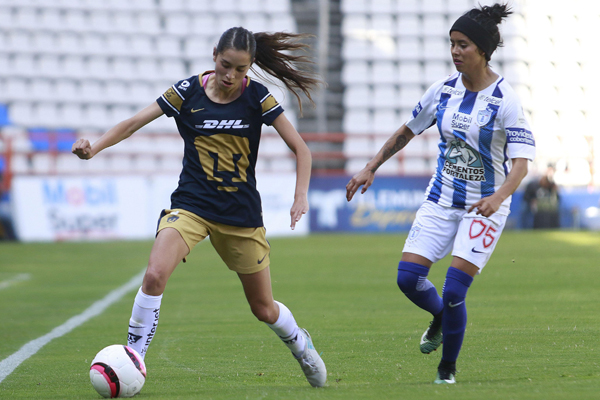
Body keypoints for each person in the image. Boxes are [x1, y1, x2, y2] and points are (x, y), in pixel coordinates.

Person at [72, 27, 327, 388]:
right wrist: (94, 148)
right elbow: (132, 124)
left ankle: (300, 343)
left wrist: (301, 194)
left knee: (263, 308)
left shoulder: (257, 97)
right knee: (154, 275)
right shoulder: (186, 92)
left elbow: (302, 149)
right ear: (213, 55)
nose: (230, 76)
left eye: (240, 69)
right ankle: (133, 357)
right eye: (226, 65)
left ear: (249, 67)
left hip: (240, 216)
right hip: (191, 206)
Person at [346, 3, 535, 384]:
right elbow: (406, 131)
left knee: (452, 289)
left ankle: (446, 370)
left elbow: (521, 164)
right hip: (440, 199)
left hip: (484, 208)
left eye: (463, 44)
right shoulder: (443, 90)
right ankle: (440, 318)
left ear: (483, 49)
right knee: (407, 278)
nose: (455, 51)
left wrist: (498, 198)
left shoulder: (506, 100)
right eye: (452, 43)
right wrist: (371, 166)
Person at [522, 164, 560, 229]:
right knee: (525, 213)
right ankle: (524, 228)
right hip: (528, 202)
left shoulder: (549, 186)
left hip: (539, 206)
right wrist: (531, 200)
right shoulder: (533, 185)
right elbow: (526, 196)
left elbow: (556, 196)